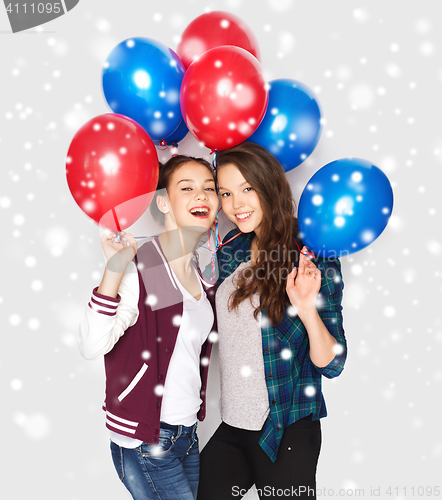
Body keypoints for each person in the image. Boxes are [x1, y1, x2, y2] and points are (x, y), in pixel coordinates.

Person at [197, 142, 347, 500]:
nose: (237, 204)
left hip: (285, 429)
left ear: (270, 185)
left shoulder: (310, 255)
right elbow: (171, 292)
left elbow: (333, 364)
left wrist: (307, 307)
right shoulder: (230, 247)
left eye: (248, 188)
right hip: (234, 425)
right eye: (226, 193)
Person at [79, 155, 219, 500]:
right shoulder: (145, 265)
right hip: (146, 439)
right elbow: (92, 345)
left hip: (186, 435)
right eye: (186, 188)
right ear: (163, 202)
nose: (201, 196)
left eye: (209, 189)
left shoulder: (203, 275)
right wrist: (115, 268)